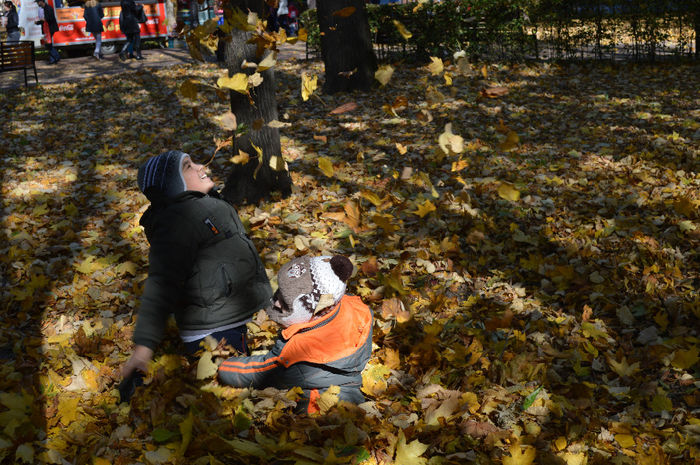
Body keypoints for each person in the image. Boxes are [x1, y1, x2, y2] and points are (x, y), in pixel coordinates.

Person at [120, 150, 273, 389]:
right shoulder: (178, 221)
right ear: (171, 184)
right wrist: (142, 351)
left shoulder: (204, 204)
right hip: (215, 330)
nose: (201, 166)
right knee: (245, 384)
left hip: (235, 315)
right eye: (188, 166)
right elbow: (161, 285)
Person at [218, 255, 373, 414]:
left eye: (284, 302)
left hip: (321, 409)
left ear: (313, 310)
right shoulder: (356, 310)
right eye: (279, 292)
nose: (275, 302)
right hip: (346, 387)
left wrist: (222, 367)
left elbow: (259, 372)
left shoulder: (297, 356)